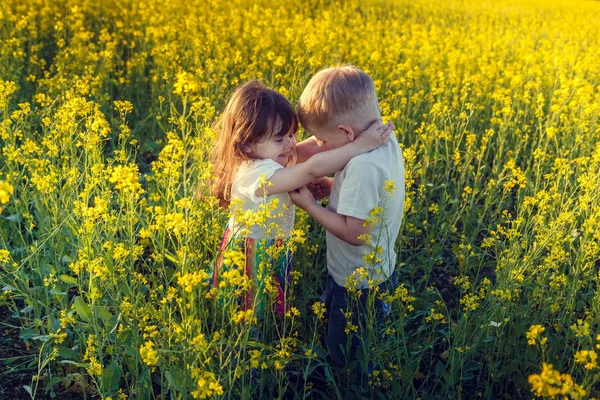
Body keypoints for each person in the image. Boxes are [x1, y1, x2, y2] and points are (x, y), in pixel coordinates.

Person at [211, 80, 393, 318]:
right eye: (279, 139)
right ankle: (242, 346)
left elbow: (316, 147)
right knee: (249, 310)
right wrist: (359, 145)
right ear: (246, 144)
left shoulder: (272, 154)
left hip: (273, 245)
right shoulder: (254, 174)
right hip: (251, 251)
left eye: (291, 134)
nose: (289, 144)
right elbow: (310, 170)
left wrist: (344, 135)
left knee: (269, 303)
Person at [293, 65, 405, 375]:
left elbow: (356, 232)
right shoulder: (382, 140)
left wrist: (311, 205)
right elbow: (375, 200)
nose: (317, 144)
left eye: (319, 139)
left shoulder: (363, 166)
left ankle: (349, 384)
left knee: (348, 353)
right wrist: (332, 188)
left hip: (358, 282)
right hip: (372, 270)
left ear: (346, 133)